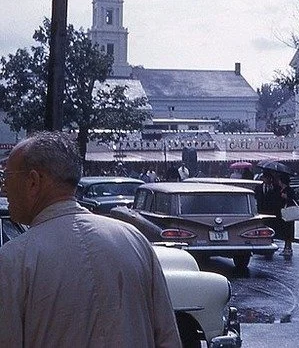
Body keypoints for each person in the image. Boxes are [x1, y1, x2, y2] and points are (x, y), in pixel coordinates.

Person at [0, 131, 181, 347]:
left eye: (7, 176)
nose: (3, 187)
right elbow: (168, 337)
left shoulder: (15, 258)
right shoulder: (133, 239)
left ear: (33, 181)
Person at [276, 173, 297, 258]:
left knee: (288, 230)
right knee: (285, 231)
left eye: (279, 180)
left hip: (289, 213)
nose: (278, 182)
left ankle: (288, 248)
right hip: (282, 213)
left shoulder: (289, 190)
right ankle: (286, 247)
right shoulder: (279, 189)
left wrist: (286, 197)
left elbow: (294, 200)